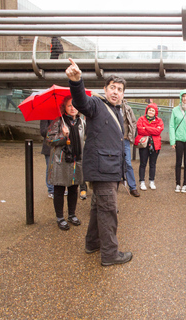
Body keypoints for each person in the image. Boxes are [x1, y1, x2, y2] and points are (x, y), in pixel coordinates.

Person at [65, 58, 132, 266]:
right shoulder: (96, 104)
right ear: (105, 89)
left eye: (119, 89)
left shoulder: (118, 111)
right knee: (108, 211)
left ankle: (92, 243)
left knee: (97, 208)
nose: (116, 92)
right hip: (102, 169)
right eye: (112, 88)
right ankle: (110, 254)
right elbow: (80, 102)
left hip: (110, 169)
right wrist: (77, 82)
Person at [46, 96, 85, 231]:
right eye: (69, 106)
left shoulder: (81, 122)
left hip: (76, 160)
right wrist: (63, 136)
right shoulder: (58, 121)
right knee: (59, 189)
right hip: (61, 160)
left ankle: (72, 214)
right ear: (65, 108)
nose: (72, 108)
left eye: (74, 105)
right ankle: (60, 217)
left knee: (74, 189)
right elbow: (49, 140)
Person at [135, 103, 164, 190]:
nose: (151, 112)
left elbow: (158, 131)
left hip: (155, 144)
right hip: (144, 144)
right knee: (143, 163)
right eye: (150, 110)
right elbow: (140, 130)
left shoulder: (159, 120)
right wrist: (153, 130)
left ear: (155, 112)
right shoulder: (141, 119)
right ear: (146, 111)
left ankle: (151, 181)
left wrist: (146, 128)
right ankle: (142, 182)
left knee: (153, 164)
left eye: (153, 110)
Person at [121, 99, 140, 197]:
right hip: (112, 141)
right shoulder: (108, 108)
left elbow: (133, 122)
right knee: (112, 163)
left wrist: (130, 135)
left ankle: (132, 187)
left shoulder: (127, 108)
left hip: (125, 139)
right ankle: (111, 188)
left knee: (128, 163)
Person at [40, 119, 54, 199]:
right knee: (50, 168)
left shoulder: (62, 114)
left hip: (60, 147)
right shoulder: (46, 116)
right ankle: (51, 189)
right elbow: (43, 132)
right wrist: (55, 129)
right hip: (49, 147)